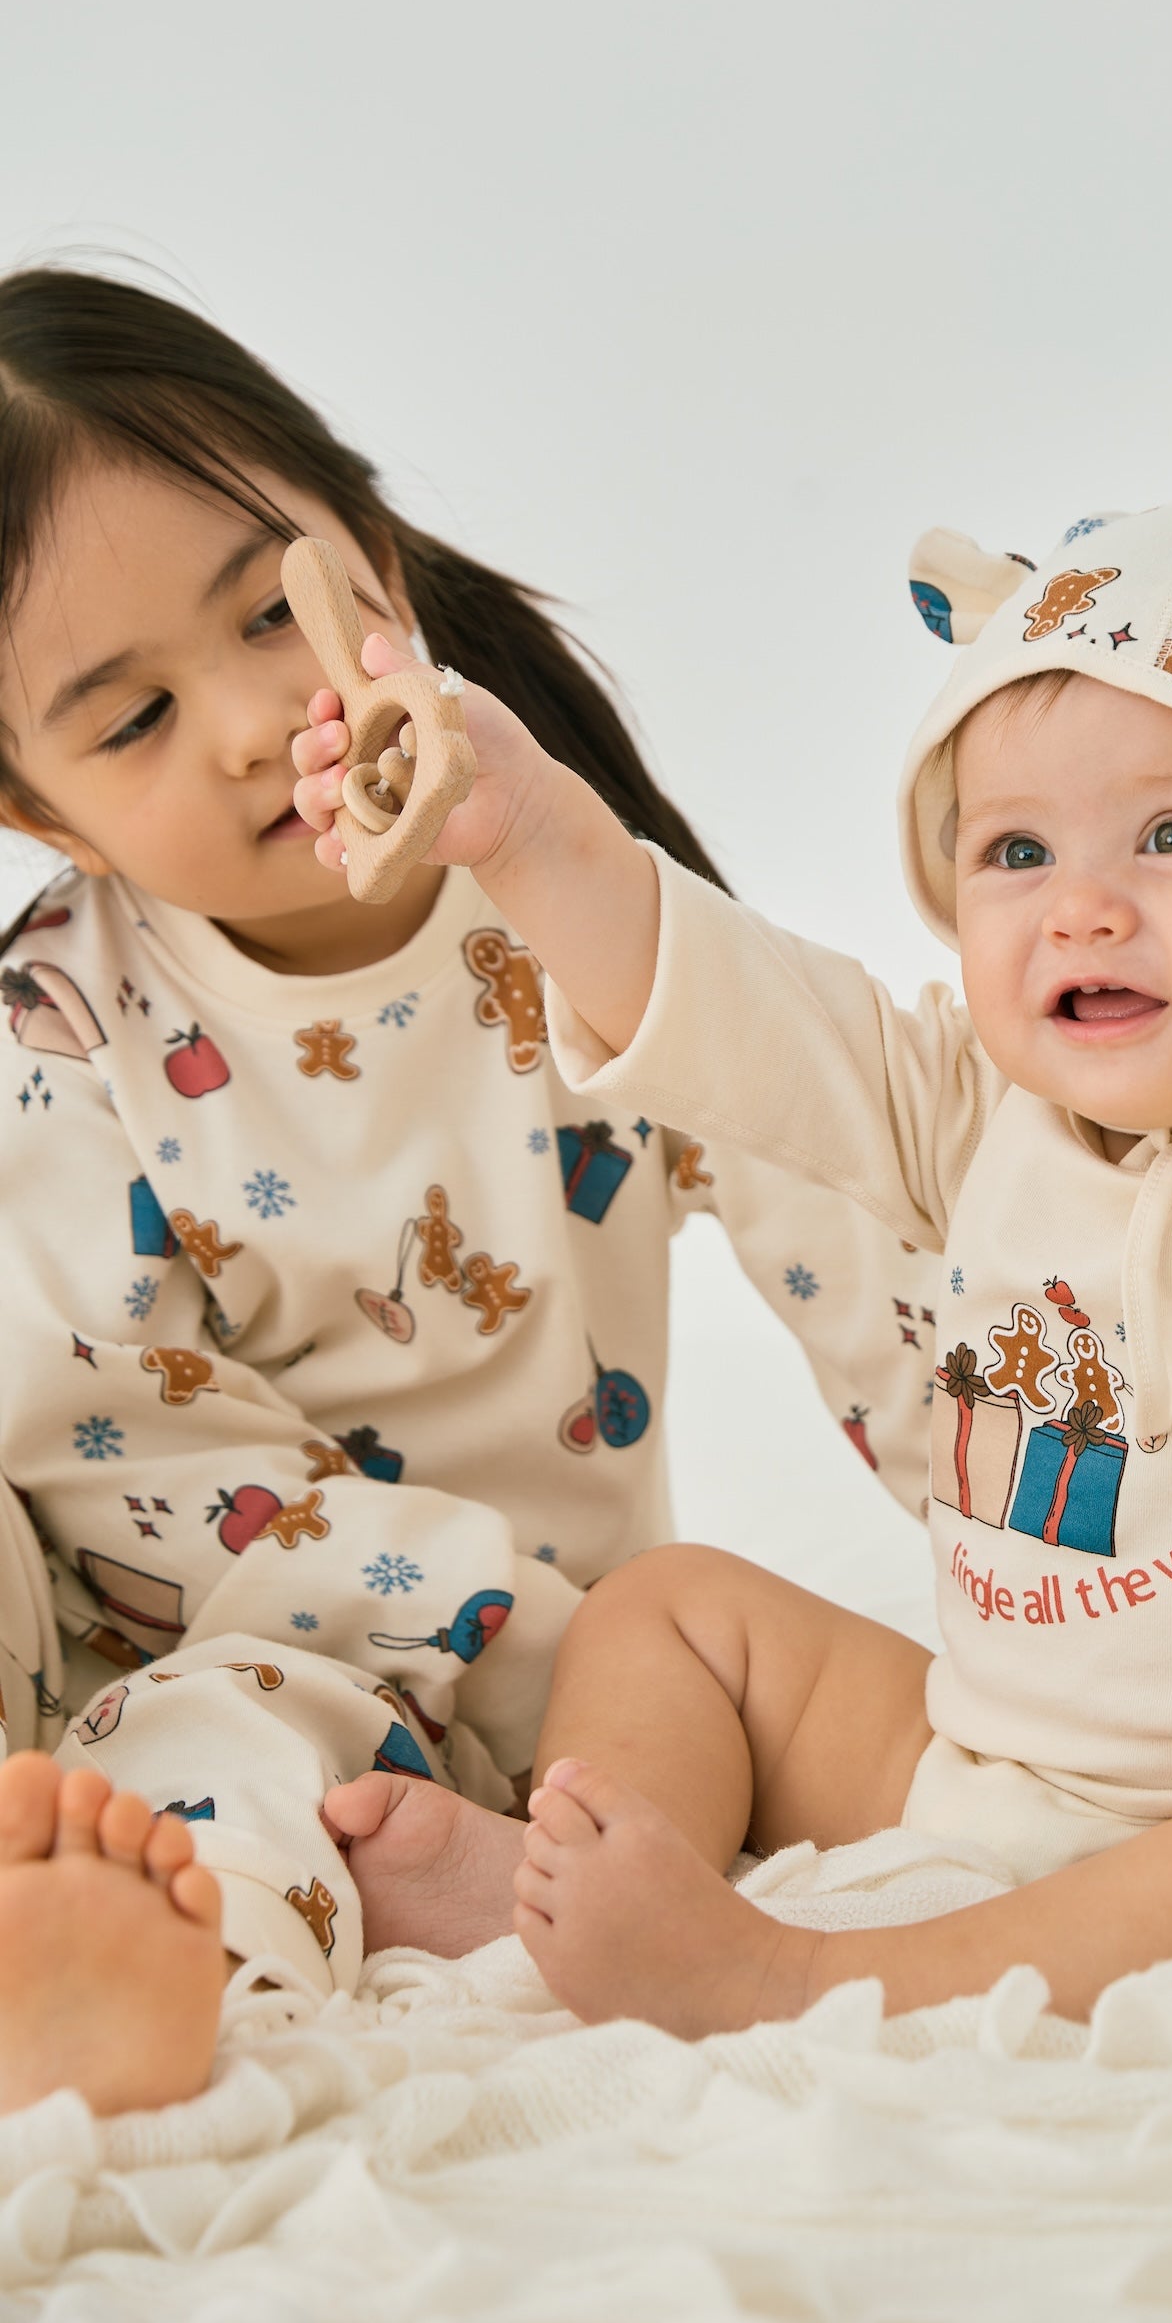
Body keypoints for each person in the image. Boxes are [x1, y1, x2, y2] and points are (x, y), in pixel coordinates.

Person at [295, 437, 1172, 2030]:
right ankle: (581, 1875)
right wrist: (522, 831)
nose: (1080, 906)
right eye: (1016, 852)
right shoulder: (982, 1112)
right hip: (982, 1767)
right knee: (669, 1610)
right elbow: (739, 1015)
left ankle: (789, 1972)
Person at [0, 264, 938, 2109]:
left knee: (237, 1736)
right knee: (164, 1690)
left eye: (267, 611)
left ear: (372, 558)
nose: (251, 720)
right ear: (35, 808)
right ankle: (73, 1919)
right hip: (126, 1624)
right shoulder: (59, 1023)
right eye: (132, 722)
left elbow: (862, 1230)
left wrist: (1061, 1566)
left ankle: (153, 1961)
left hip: (532, 1688)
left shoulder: (581, 904)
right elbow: (127, 1458)